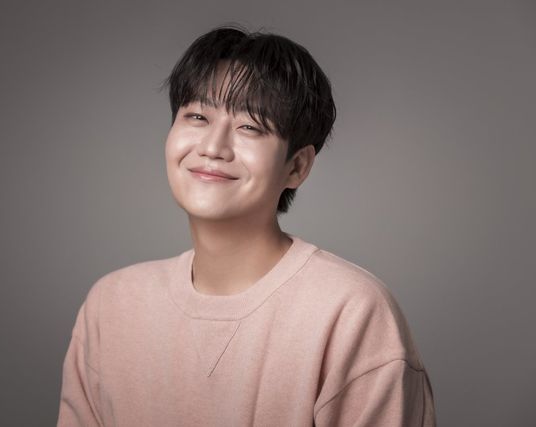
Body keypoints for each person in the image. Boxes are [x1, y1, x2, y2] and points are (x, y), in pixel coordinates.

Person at [57, 24, 436, 426]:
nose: (213, 147)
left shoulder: (352, 312)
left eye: (250, 127)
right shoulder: (112, 305)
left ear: (297, 166)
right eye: (197, 116)